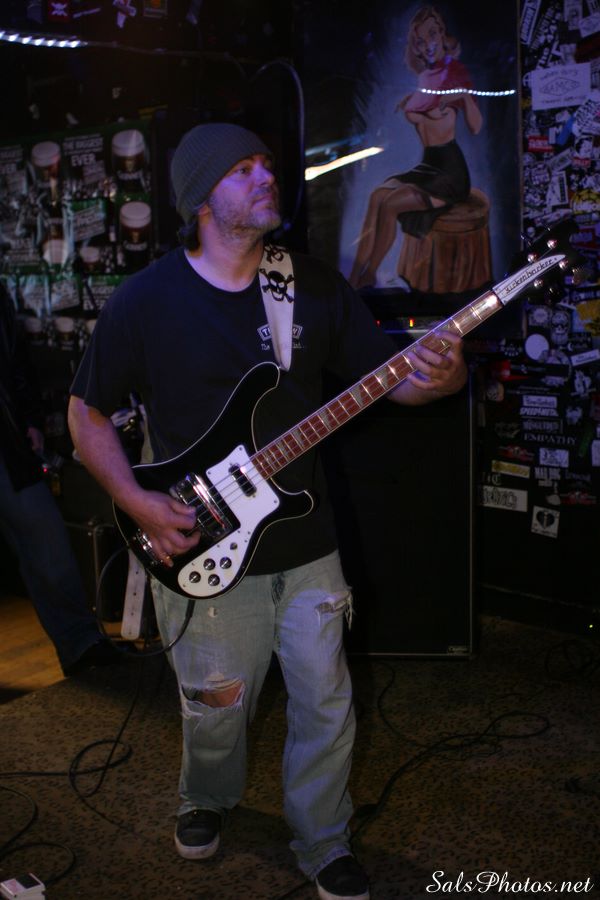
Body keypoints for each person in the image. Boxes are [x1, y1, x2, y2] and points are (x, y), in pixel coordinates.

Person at [67, 122, 467, 900]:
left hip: (308, 543)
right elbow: (86, 414)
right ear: (201, 197)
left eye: (265, 165)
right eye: (243, 169)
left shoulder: (308, 285)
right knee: (216, 707)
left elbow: (398, 384)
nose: (265, 176)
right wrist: (137, 502)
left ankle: (323, 838)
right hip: (202, 542)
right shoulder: (146, 301)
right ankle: (205, 797)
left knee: (327, 702)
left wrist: (443, 375)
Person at [0, 282, 123, 676]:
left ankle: (80, 643)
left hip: (7, 443)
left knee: (45, 537)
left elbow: (15, 362)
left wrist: (30, 419)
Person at [349, 4, 483, 289]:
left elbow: (476, 125)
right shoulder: (425, 79)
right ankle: (352, 279)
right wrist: (413, 101)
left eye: (432, 34)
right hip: (428, 165)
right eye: (420, 41)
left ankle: (368, 276)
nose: (427, 45)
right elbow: (425, 107)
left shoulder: (455, 74)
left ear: (442, 33)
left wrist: (464, 97)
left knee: (390, 205)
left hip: (449, 173)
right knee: (377, 196)